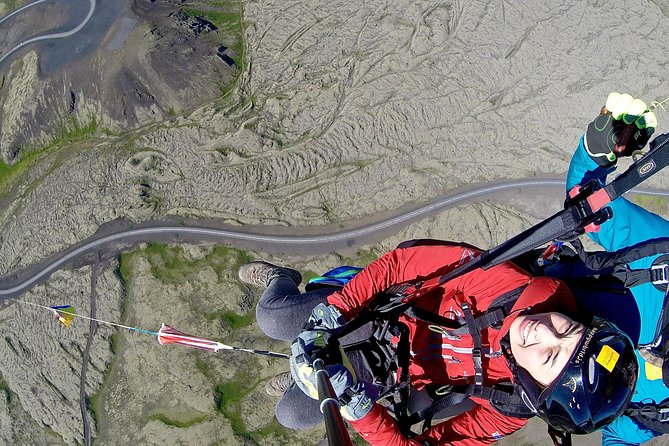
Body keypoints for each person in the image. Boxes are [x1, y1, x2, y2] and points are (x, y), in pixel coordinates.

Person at [239, 92, 659, 445]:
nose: (548, 333)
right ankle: (287, 281)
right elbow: (589, 205)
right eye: (564, 333)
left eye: (550, 353)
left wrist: (360, 409)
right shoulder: (657, 265)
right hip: (409, 315)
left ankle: (299, 377)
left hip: (425, 378)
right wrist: (598, 147)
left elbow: (618, 435)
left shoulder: (518, 404)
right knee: (274, 317)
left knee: (292, 412)